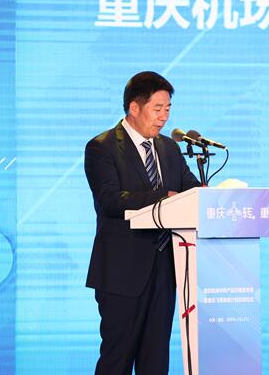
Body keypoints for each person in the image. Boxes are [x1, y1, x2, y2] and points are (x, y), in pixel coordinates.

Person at [84, 71, 201, 375]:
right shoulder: (102, 147)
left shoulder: (169, 148)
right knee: (117, 360)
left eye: (168, 109)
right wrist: (164, 196)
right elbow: (110, 200)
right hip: (122, 273)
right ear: (134, 107)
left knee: (155, 361)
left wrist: (208, 196)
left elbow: (189, 189)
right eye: (157, 108)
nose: (164, 117)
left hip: (165, 271)